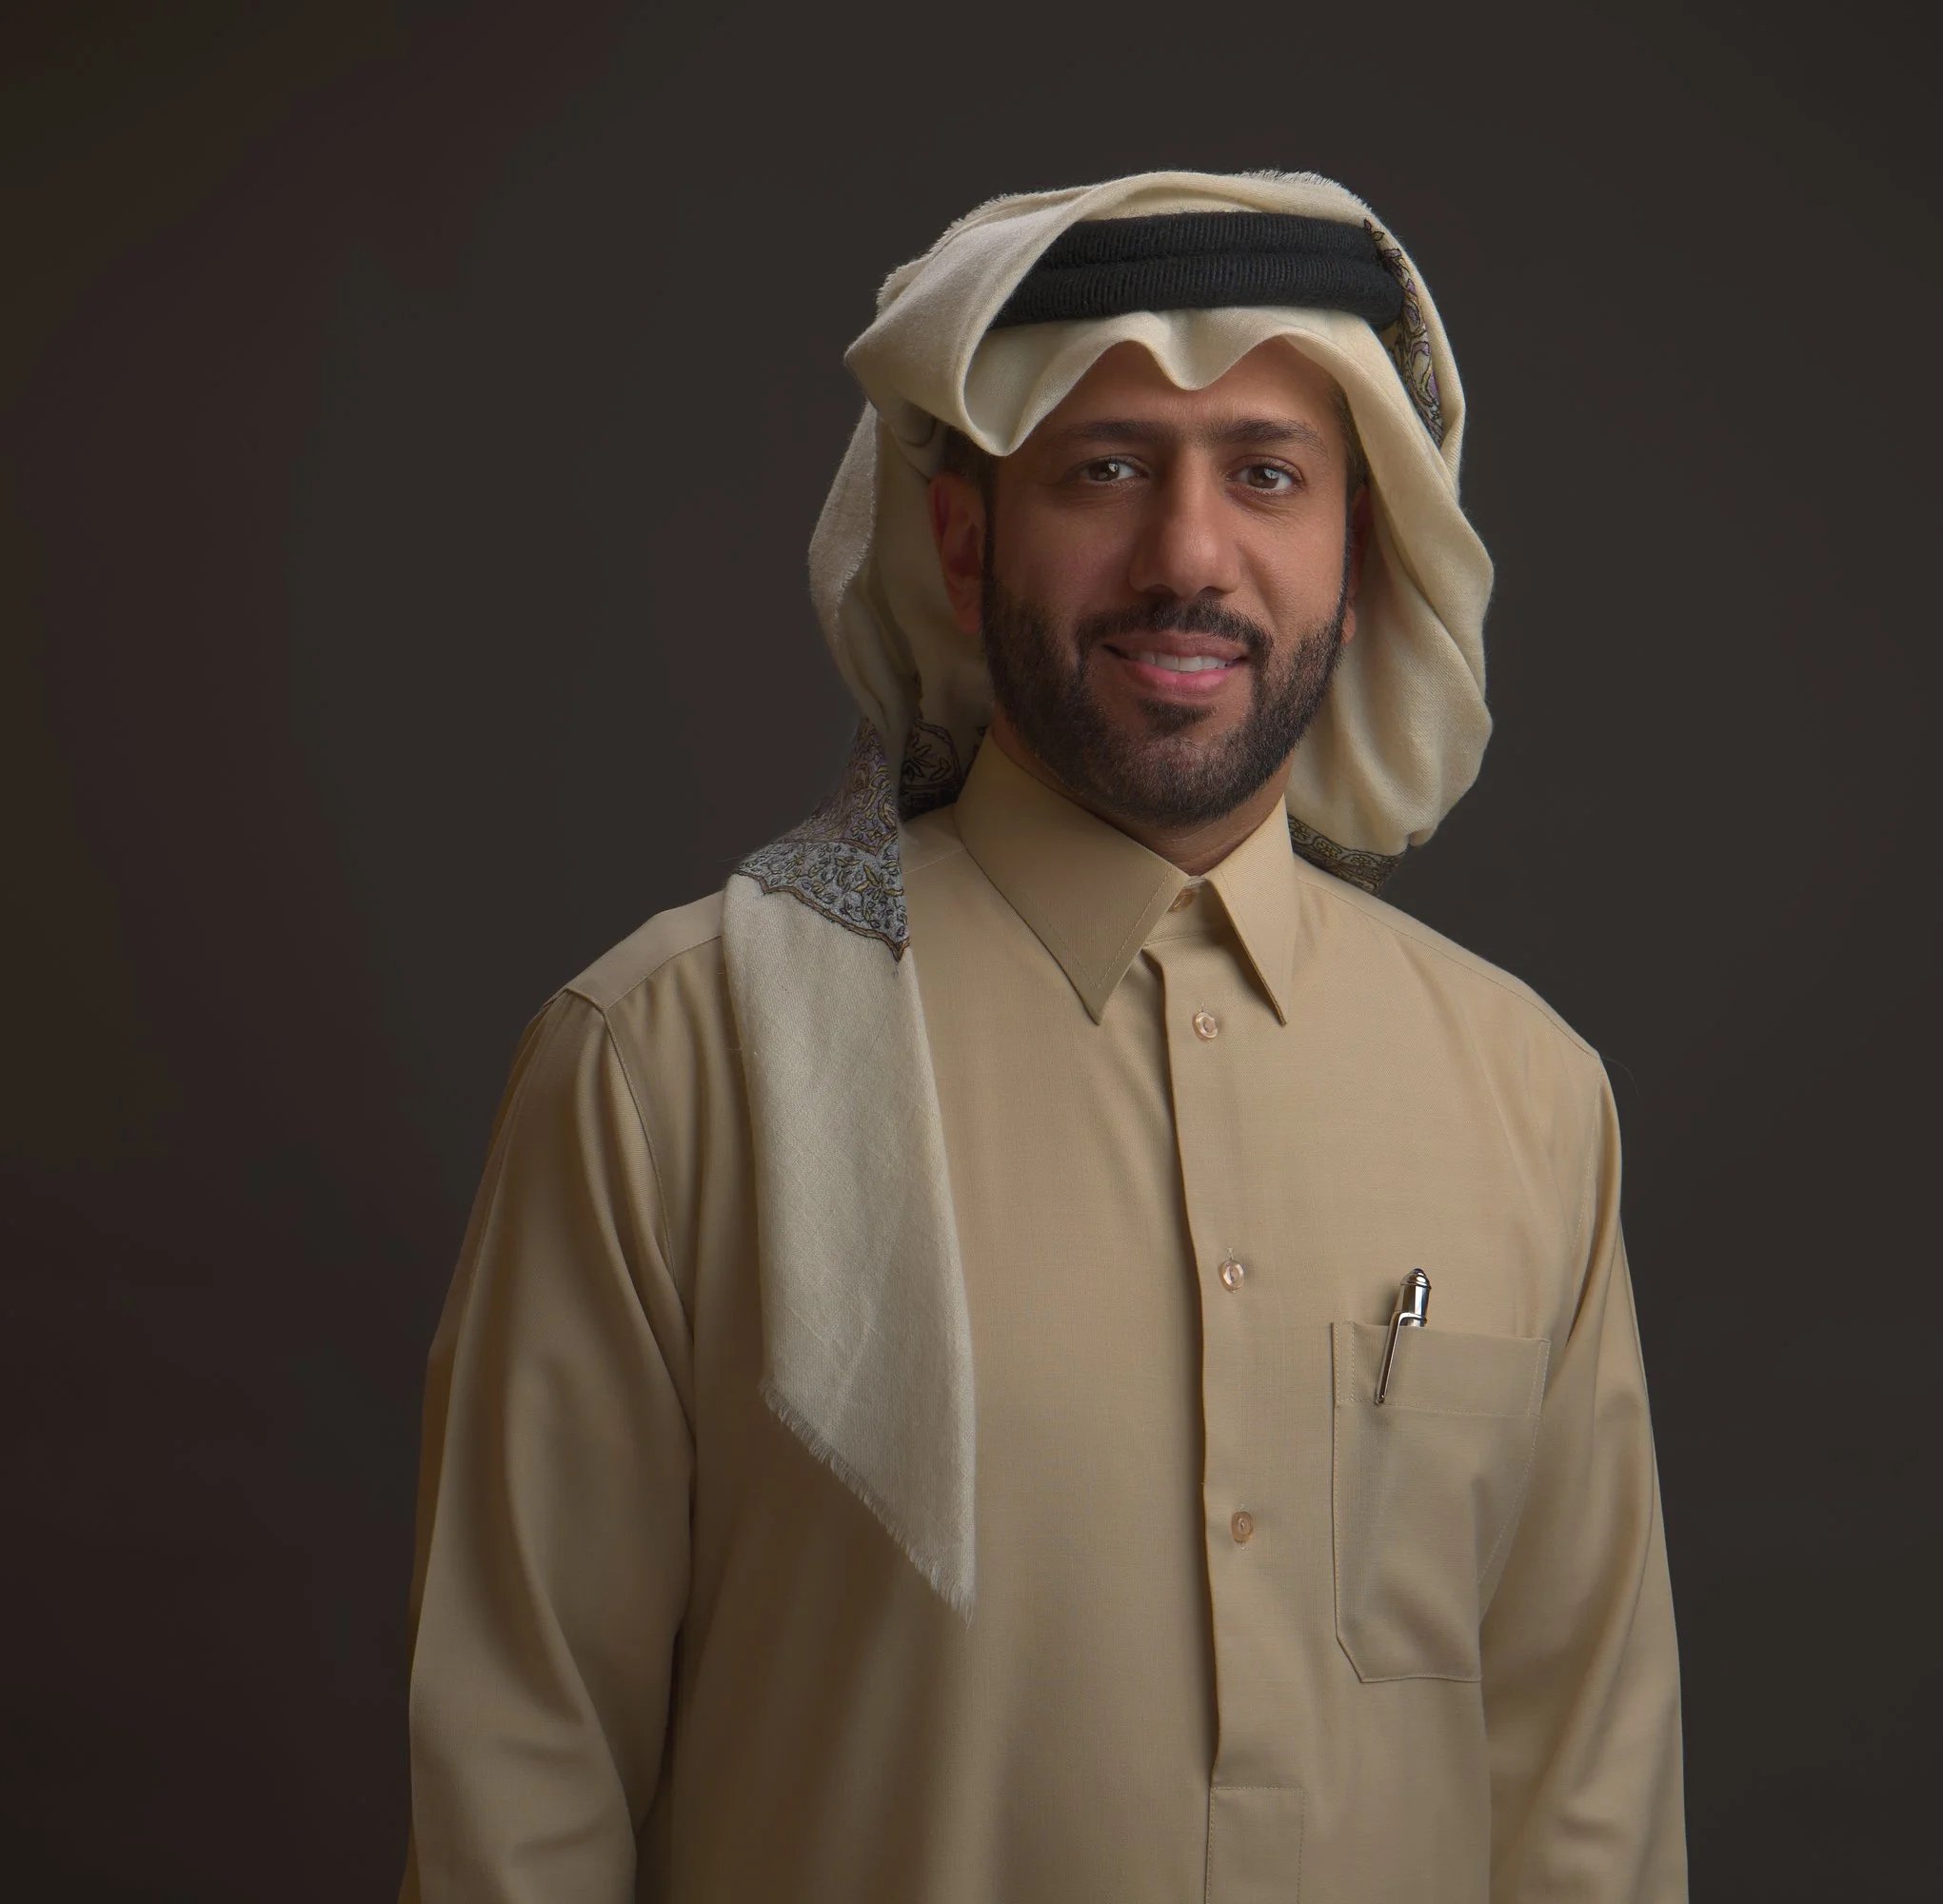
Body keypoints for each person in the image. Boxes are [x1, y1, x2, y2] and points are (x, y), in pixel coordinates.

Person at [398, 168, 1688, 1903]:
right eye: (1104, 469)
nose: (1189, 556)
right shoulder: (673, 1063)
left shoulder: (1527, 1094)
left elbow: (1583, 1798)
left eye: (1269, 475)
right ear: (960, 540)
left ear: (1361, 555)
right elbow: (517, 1795)